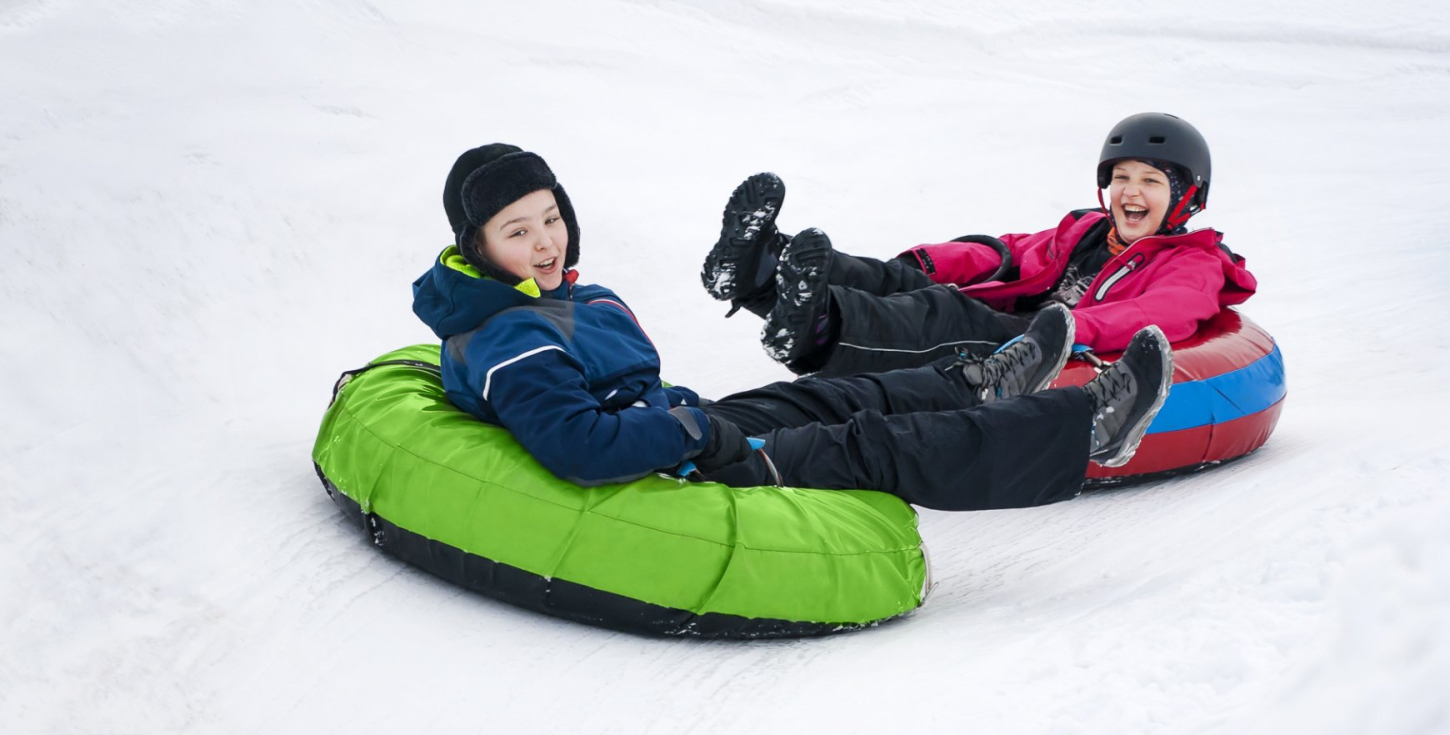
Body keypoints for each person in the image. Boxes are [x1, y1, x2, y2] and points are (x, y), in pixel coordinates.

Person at [412, 144, 1176, 512]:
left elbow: (629, 395)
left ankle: (978, 380)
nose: (545, 243)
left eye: (551, 219)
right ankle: (1087, 427)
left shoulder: (576, 297)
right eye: (518, 231)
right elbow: (579, 446)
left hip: (677, 430)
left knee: (829, 399)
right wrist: (686, 435)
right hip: (665, 468)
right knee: (869, 443)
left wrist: (686, 418)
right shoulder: (511, 339)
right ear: (478, 245)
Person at [701, 112, 1257, 377]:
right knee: (905, 283)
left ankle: (817, 323)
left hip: (1046, 349)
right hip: (1018, 321)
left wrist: (1066, 326)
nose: (1130, 192)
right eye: (1122, 178)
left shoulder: (1195, 263)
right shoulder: (1088, 230)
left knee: (939, 311)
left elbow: (1156, 313)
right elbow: (1010, 255)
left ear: (1186, 197)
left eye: (1151, 181)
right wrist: (929, 261)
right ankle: (759, 269)